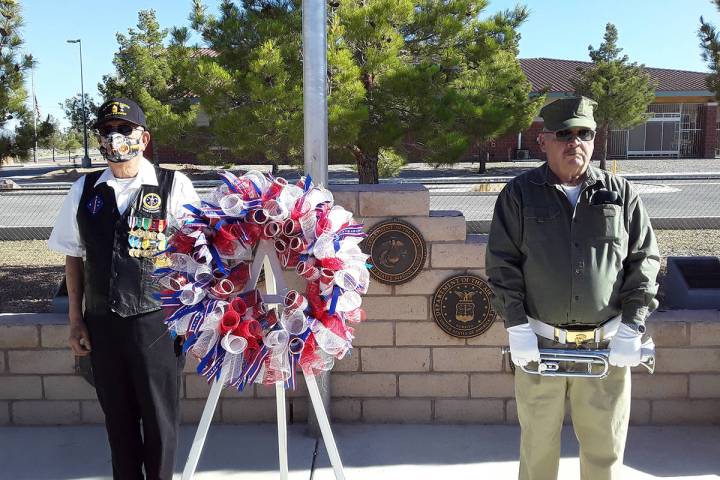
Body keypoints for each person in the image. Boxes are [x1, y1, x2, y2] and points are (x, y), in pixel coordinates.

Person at [486, 96, 660, 480]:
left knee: (605, 452)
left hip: (606, 347)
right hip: (541, 345)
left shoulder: (621, 195)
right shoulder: (519, 194)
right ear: (543, 140)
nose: (574, 143)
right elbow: (502, 265)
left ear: (595, 140)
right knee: (537, 450)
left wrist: (633, 326)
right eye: (564, 134)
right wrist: (516, 326)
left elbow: (643, 261)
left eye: (584, 134)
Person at [48, 98, 199, 479]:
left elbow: (196, 254)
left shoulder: (172, 185)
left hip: (156, 323)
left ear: (143, 137)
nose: (115, 138)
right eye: (106, 131)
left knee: (160, 423)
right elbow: (73, 255)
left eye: (124, 130)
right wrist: (75, 321)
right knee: (119, 426)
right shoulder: (85, 190)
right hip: (102, 323)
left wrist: (187, 317)